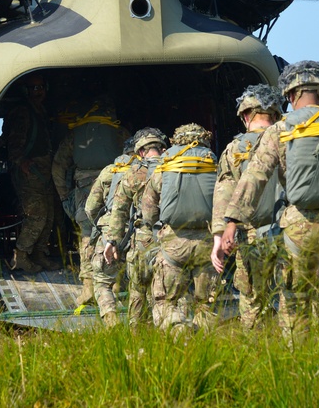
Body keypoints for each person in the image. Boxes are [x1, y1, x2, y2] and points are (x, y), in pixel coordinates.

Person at [223, 61, 319, 342]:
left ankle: (298, 364)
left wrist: (232, 221)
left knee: (294, 300)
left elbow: (255, 177)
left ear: (290, 96)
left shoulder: (280, 130)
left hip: (299, 228)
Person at [211, 83, 284, 329]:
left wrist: (218, 240)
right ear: (275, 115)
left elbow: (224, 195)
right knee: (289, 297)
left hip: (250, 236)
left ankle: (255, 351)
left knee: (251, 300)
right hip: (289, 232)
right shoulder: (289, 140)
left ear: (245, 116)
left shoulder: (234, 150)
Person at [141, 123, 220, 332]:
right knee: (206, 303)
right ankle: (205, 344)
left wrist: (156, 228)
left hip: (174, 243)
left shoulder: (166, 163)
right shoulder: (213, 161)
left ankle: (179, 335)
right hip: (207, 243)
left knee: (168, 301)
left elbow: (148, 208)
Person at [52, 97, 127, 305]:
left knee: (86, 232)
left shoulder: (75, 134)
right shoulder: (119, 131)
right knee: (116, 230)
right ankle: (116, 284)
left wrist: (64, 195)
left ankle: (88, 288)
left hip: (84, 187)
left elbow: (58, 165)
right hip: (115, 184)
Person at [104, 128, 169, 327]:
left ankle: (136, 333)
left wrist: (112, 242)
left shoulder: (133, 174)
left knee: (138, 291)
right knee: (166, 293)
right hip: (169, 239)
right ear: (163, 148)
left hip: (142, 241)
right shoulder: (173, 169)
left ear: (140, 152)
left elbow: (119, 211)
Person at [3, 73, 59, 273]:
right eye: (33, 88)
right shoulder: (23, 112)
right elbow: (14, 141)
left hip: (44, 170)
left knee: (49, 215)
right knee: (37, 216)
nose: (38, 92)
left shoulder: (40, 110)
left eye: (41, 87)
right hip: (30, 171)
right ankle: (20, 256)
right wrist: (21, 162)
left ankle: (38, 254)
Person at [85, 138, 138, 327]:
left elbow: (90, 207)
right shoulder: (145, 172)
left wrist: (100, 225)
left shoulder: (109, 171)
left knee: (102, 281)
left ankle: (110, 317)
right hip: (136, 232)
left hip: (108, 232)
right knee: (138, 280)